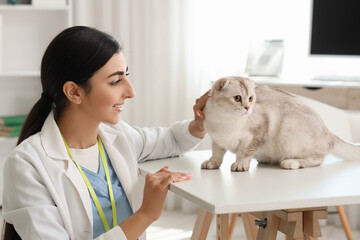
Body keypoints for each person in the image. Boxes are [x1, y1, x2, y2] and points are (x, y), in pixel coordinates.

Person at [2, 26, 209, 240]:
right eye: (116, 81)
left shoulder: (119, 136)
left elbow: (172, 140)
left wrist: (202, 122)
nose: (131, 92)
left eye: (126, 76)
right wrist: (146, 214)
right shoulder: (26, 165)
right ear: (74, 92)